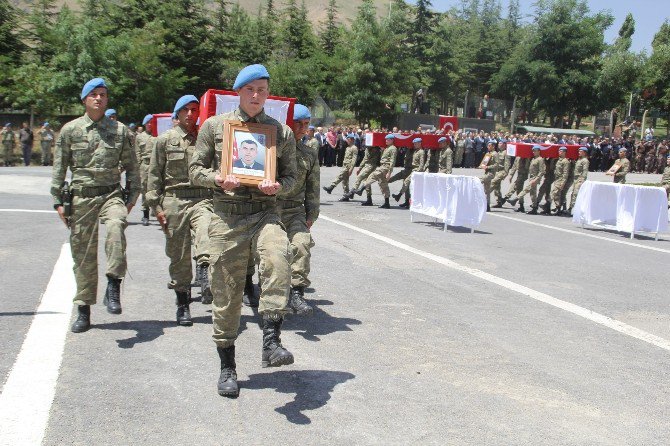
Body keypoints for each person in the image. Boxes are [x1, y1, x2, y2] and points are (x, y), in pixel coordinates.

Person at [189, 64, 297, 398]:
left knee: (279, 258)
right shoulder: (215, 127)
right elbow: (195, 170)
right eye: (250, 90)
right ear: (238, 92)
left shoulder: (281, 133)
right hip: (227, 216)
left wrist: (277, 186)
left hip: (265, 213)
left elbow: (293, 179)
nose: (255, 96)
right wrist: (217, 179)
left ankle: (271, 341)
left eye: (262, 90)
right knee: (226, 295)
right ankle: (227, 367)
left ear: (268, 94)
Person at [50, 77, 140, 333]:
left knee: (116, 227)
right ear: (85, 99)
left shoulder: (120, 131)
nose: (99, 98)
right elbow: (60, 168)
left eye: (103, 94)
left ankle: (113, 283)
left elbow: (133, 168)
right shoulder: (70, 130)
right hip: (81, 197)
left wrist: (131, 199)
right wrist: (58, 200)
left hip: (111, 194)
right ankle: (83, 308)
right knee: (83, 255)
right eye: (94, 94)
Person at [146, 95, 213, 325]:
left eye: (195, 109)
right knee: (178, 255)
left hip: (202, 199)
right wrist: (156, 207)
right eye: (186, 110)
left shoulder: (205, 140)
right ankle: (183, 302)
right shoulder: (164, 140)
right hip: (174, 201)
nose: (191, 114)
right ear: (177, 114)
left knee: (206, 233)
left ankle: (204, 275)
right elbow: (154, 175)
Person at [277, 104, 319, 315]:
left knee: (302, 245)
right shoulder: (272, 149)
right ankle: (251, 285)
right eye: (298, 124)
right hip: (270, 208)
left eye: (306, 124)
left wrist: (312, 214)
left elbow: (313, 186)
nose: (303, 129)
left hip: (294, 210)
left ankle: (297, 292)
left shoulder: (309, 154)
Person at [350, 134, 398, 209]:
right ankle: (387, 203)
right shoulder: (387, 148)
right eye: (386, 139)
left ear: (392, 140)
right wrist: (382, 150)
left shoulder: (393, 148)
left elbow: (392, 161)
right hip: (382, 166)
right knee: (383, 184)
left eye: (388, 140)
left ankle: (361, 190)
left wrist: (389, 172)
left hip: (385, 167)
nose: (386, 141)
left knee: (372, 176)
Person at [509, 145, 545, 215]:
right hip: (531, 178)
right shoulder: (533, 159)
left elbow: (542, 171)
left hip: (535, 178)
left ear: (539, 151)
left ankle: (515, 199)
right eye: (533, 151)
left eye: (535, 151)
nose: (533, 152)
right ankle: (534, 208)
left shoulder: (540, 159)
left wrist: (536, 179)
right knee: (532, 194)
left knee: (526, 189)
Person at [322, 133, 357, 201]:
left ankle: (331, 187)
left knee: (340, 176)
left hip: (348, 167)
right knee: (345, 181)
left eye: (348, 139)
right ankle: (346, 195)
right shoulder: (348, 147)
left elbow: (354, 159)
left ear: (351, 140)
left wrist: (351, 169)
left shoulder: (354, 148)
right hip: (345, 165)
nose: (347, 140)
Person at [392, 138, 425, 209]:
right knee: (406, 184)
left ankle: (399, 195)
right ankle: (406, 201)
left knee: (406, 182)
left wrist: (417, 172)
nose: (414, 145)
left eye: (416, 144)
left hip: (416, 171)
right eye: (414, 144)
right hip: (411, 170)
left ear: (420, 143)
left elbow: (421, 165)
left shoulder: (421, 152)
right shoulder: (415, 151)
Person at [135, 114, 155, 226]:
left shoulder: (157, 135)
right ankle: (145, 215)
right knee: (145, 189)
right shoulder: (140, 137)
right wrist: (138, 167)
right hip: (145, 165)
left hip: (156, 165)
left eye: (151, 122)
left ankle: (156, 209)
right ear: (144, 124)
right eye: (148, 122)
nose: (150, 125)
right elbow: (137, 152)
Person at [568, 147, 589, 216]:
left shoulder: (585, 161)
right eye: (579, 151)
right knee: (573, 194)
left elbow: (585, 171)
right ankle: (570, 208)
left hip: (579, 179)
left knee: (575, 194)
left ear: (584, 153)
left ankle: (572, 209)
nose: (579, 152)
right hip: (575, 179)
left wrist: (582, 180)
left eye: (581, 151)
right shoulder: (579, 160)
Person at [480, 142, 500, 212]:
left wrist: (487, 167)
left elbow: (496, 165)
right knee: (487, 190)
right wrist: (482, 165)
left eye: (489, 145)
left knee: (479, 181)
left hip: (491, 173)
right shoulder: (488, 153)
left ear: (493, 146)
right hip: (486, 172)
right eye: (487, 145)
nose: (488, 147)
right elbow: (484, 163)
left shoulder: (495, 154)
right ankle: (487, 206)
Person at [549, 147, 570, 215]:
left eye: (561, 151)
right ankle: (558, 209)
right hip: (557, 179)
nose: (559, 152)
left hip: (561, 179)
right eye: (559, 151)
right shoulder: (558, 160)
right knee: (557, 195)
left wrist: (563, 183)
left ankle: (547, 205)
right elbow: (552, 168)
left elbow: (565, 173)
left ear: (564, 152)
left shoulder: (565, 161)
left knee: (553, 192)